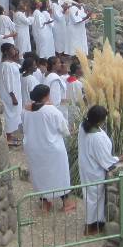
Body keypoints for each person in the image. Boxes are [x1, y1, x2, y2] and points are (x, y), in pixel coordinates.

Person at [21, 83, 75, 213]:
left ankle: (45, 204)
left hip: (33, 148)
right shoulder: (52, 111)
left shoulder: (25, 111)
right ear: (46, 96)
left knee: (39, 175)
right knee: (59, 175)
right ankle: (66, 203)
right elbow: (65, 131)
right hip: (52, 149)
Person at [78, 105, 123, 235]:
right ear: (100, 121)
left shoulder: (83, 126)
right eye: (104, 119)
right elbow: (105, 160)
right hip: (94, 170)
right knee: (93, 199)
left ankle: (96, 224)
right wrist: (120, 158)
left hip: (86, 166)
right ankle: (88, 228)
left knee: (91, 197)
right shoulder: (96, 138)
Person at [0, 42, 23, 146]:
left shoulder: (11, 63)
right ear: (7, 51)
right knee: (9, 115)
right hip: (9, 94)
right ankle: (7, 138)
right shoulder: (6, 65)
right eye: (13, 48)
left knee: (14, 115)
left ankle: (10, 135)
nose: (15, 50)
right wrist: (13, 96)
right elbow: (8, 82)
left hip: (15, 93)